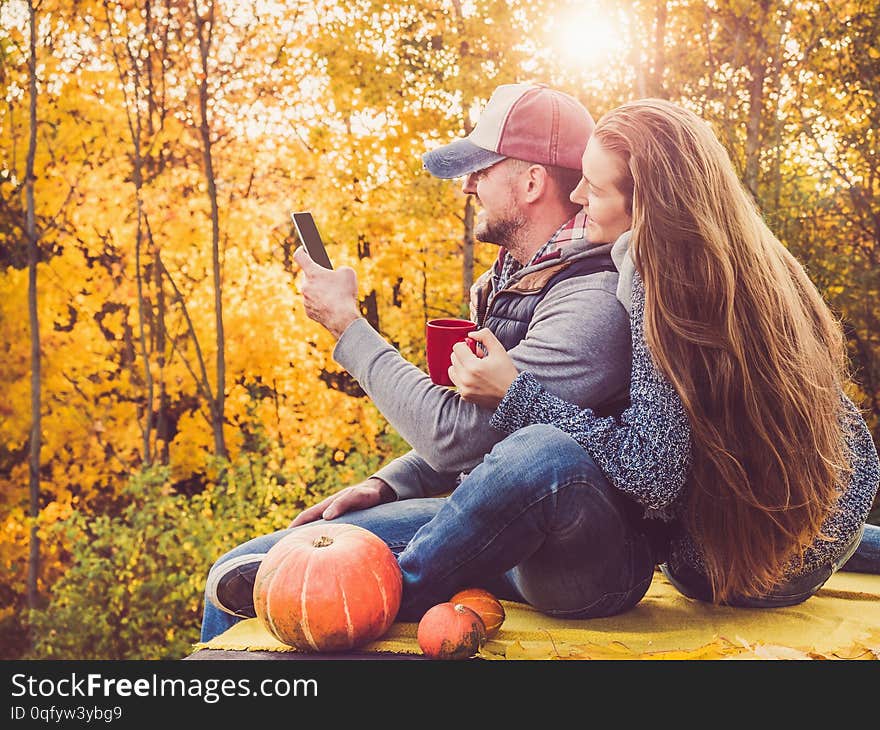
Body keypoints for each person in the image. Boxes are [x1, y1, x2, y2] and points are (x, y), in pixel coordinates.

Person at [199, 83, 634, 641]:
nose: (469, 185)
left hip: (572, 557)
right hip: (492, 523)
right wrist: (389, 483)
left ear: (531, 181)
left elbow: (461, 435)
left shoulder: (593, 299)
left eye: (482, 169)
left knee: (298, 585)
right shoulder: (506, 284)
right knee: (248, 572)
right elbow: (486, 438)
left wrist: (347, 327)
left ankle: (375, 594)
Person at [447, 98, 880, 607]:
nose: (579, 194)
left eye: (596, 187)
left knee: (663, 533)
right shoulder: (763, 263)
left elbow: (654, 473)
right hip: (836, 518)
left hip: (733, 574)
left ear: (648, 205)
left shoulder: (658, 286)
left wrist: (517, 395)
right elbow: (859, 449)